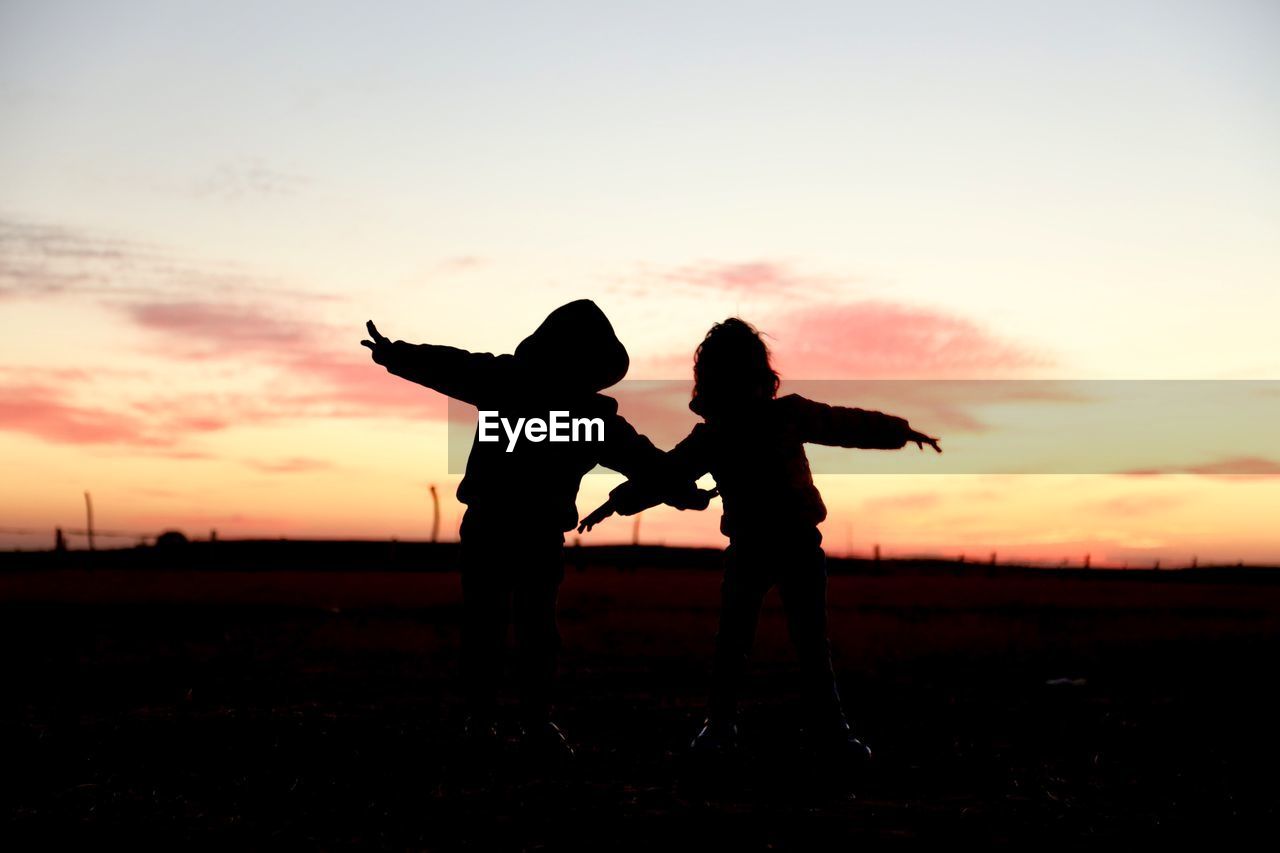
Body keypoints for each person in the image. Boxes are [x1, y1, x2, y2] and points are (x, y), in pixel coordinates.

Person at [577, 318, 940, 761]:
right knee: (776, 640)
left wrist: (898, 432)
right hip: (768, 545)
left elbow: (667, 474)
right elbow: (668, 474)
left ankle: (771, 727)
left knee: (763, 640)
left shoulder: (742, 427)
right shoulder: (733, 430)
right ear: (760, 373)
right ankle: (783, 728)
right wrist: (620, 501)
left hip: (787, 544)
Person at [362, 300, 711, 761]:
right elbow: (649, 464)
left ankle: (509, 719)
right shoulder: (573, 412)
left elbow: (649, 465)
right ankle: (507, 719)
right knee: (514, 626)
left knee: (514, 627)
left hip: (516, 530)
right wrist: (397, 355)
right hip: (507, 528)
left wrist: (397, 355)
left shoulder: (530, 392)